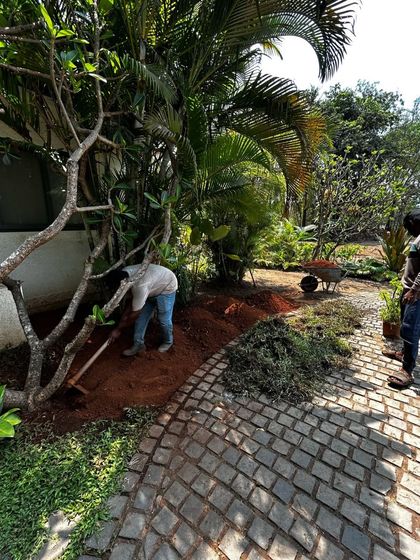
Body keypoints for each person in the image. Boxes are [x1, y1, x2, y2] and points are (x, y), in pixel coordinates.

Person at [383, 208, 420, 387]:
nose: (407, 231)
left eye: (408, 227)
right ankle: (404, 354)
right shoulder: (418, 239)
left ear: (414, 222)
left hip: (416, 293)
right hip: (409, 290)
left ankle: (407, 370)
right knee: (405, 322)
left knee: (410, 328)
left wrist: (414, 290)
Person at [107, 263, 178, 356]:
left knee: (163, 320)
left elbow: (135, 314)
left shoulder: (139, 287)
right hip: (151, 285)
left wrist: (118, 329)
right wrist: (122, 322)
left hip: (167, 286)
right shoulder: (124, 273)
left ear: (123, 284)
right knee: (141, 319)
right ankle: (138, 344)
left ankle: (168, 341)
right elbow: (132, 304)